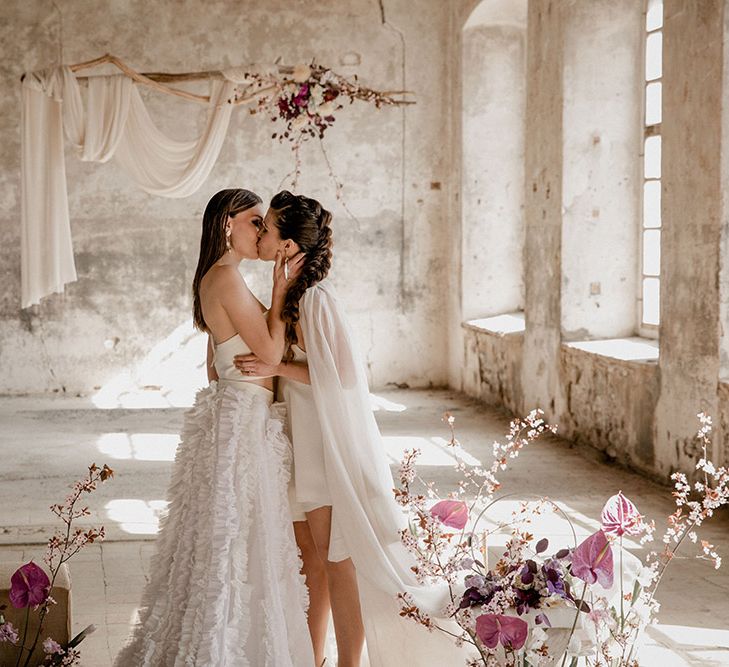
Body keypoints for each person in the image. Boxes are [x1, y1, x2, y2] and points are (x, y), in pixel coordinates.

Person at [235, 191, 464, 667]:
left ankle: (348, 665)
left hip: (325, 444)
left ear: (288, 244)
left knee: (337, 558)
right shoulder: (292, 294)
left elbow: (340, 375)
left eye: (267, 228)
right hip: (301, 437)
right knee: (311, 559)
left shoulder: (317, 300)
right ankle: (312, 657)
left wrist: (274, 368)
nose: (260, 235)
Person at [115, 188, 314, 667]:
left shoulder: (219, 278)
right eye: (254, 222)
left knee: (235, 539)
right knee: (236, 541)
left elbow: (213, 366)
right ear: (228, 222)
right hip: (242, 418)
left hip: (236, 411)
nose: (263, 232)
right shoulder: (225, 278)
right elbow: (267, 354)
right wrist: (282, 292)